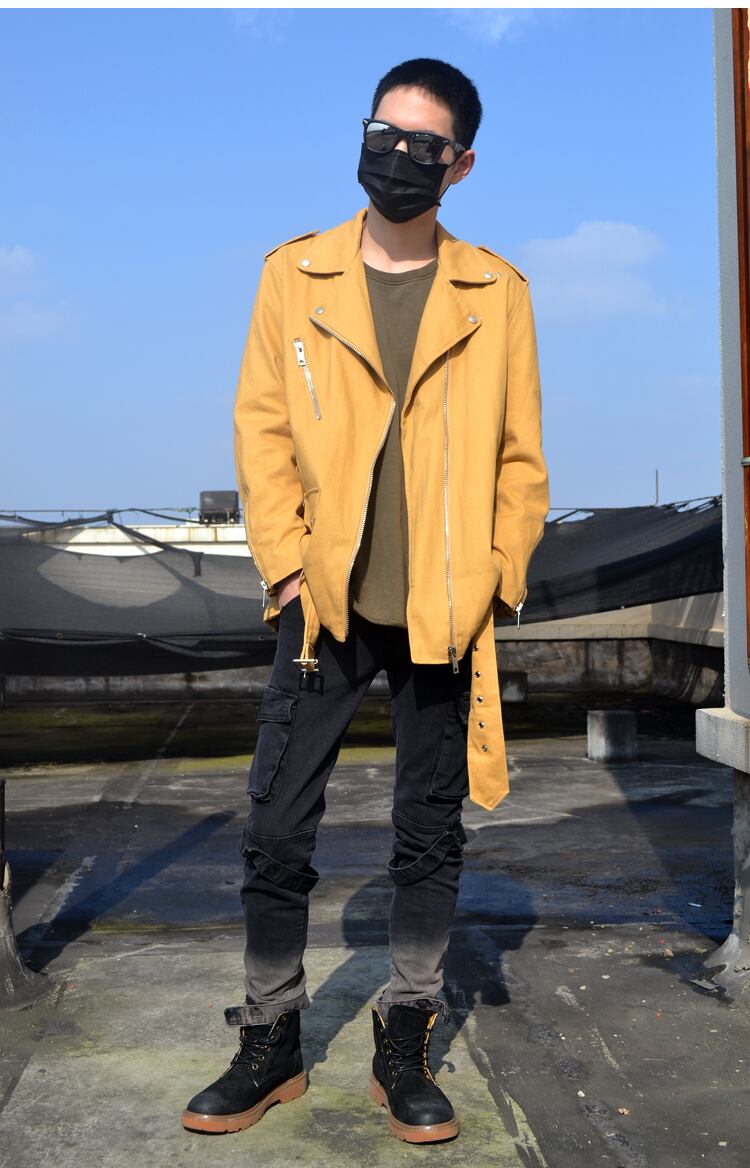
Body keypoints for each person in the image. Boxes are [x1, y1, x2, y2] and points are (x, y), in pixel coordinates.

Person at [182, 56, 549, 1145]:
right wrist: (288, 568)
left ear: (460, 165)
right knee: (275, 825)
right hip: (324, 605)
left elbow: (522, 461)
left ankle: (406, 1036)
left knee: (428, 833)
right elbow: (261, 430)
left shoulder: (497, 292)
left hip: (445, 611)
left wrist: (495, 577)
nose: (397, 156)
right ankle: (270, 1038)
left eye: (423, 145)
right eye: (382, 134)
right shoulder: (293, 274)